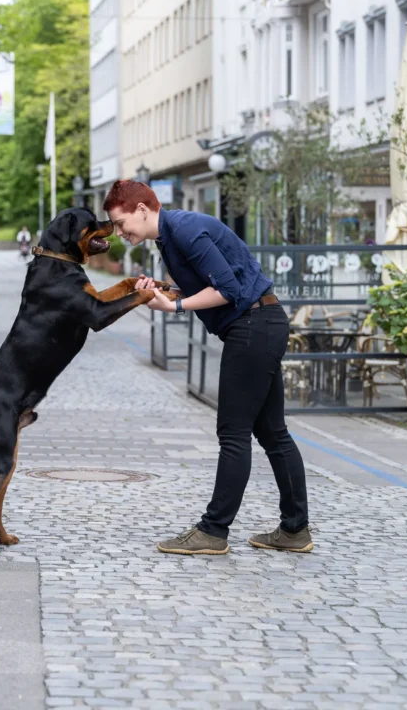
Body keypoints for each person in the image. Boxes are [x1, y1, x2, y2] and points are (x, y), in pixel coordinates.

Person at [103, 179, 311, 556]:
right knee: (272, 433)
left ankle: (213, 531)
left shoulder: (183, 230)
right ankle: (295, 530)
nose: (119, 233)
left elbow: (227, 290)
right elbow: (211, 285)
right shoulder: (170, 235)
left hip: (252, 327)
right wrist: (169, 293)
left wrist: (175, 308)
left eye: (121, 223)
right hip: (261, 323)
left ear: (142, 210)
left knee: (234, 434)